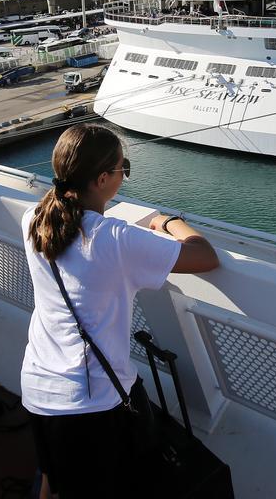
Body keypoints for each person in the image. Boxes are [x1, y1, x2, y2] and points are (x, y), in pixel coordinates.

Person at [21, 125, 220, 499]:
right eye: (122, 168)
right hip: (87, 402)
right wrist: (167, 221)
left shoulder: (34, 218)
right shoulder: (115, 239)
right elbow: (204, 256)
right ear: (102, 179)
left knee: (51, 477)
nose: (123, 175)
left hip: (37, 385)